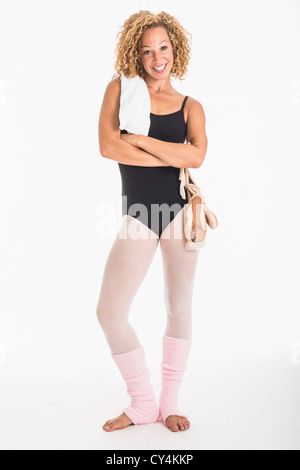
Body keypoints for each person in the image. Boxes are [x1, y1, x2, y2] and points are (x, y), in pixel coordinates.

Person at [96, 10, 208, 433]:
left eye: (162, 47)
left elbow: (195, 157)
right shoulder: (121, 92)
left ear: (174, 50)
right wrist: (167, 152)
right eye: (146, 50)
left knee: (178, 306)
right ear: (135, 54)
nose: (156, 57)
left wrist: (140, 140)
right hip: (139, 213)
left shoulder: (190, 106)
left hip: (181, 212)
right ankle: (142, 402)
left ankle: (169, 402)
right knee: (109, 310)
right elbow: (109, 147)